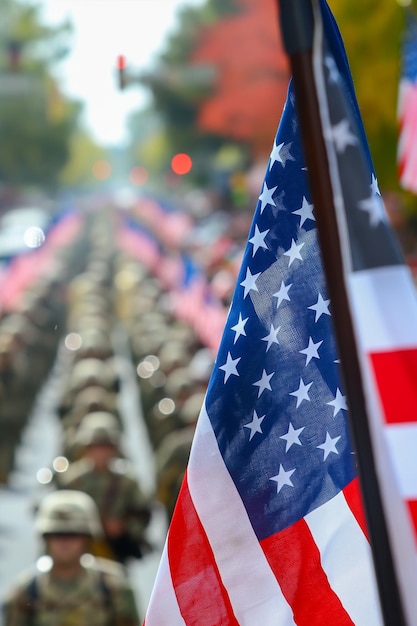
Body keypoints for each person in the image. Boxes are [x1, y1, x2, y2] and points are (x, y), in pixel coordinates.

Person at [2, 490, 141, 625]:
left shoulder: (113, 586)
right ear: (46, 539)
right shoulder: (27, 591)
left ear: (87, 538)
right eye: (57, 534)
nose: (64, 542)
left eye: (73, 534)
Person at [59, 412, 152, 564]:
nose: (101, 452)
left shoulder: (127, 481)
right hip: (79, 549)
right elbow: (59, 517)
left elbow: (143, 513)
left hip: (115, 549)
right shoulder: (71, 480)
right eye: (95, 446)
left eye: (105, 446)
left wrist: (124, 527)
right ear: (86, 448)